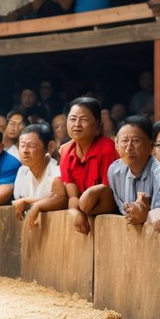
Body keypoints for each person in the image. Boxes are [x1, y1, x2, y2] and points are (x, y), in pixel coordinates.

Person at [27, 97, 119, 233]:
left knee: (89, 195)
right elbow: (73, 196)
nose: (77, 124)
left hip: (105, 204)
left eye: (84, 120)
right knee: (61, 186)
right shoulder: (66, 152)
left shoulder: (107, 149)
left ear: (98, 126)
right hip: (82, 203)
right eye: (72, 118)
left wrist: (78, 207)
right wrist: (76, 212)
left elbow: (107, 192)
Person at [105, 115, 160, 228]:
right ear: (116, 144)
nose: (129, 147)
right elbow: (125, 210)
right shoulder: (114, 171)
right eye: (124, 141)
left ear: (151, 146)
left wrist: (143, 214)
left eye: (135, 141)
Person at [12, 123, 61, 221]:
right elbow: (18, 202)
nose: (25, 151)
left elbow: (61, 200)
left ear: (50, 147)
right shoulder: (22, 171)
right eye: (22, 145)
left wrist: (27, 201)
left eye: (31, 145)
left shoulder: (57, 171)